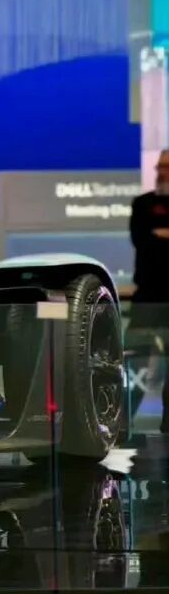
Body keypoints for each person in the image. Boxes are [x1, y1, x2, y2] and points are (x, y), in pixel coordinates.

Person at [128, 149, 169, 431]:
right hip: (147, 297)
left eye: (166, 166)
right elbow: (141, 240)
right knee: (134, 359)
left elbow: (151, 240)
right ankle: (122, 424)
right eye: (159, 166)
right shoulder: (142, 204)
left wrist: (158, 235)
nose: (161, 171)